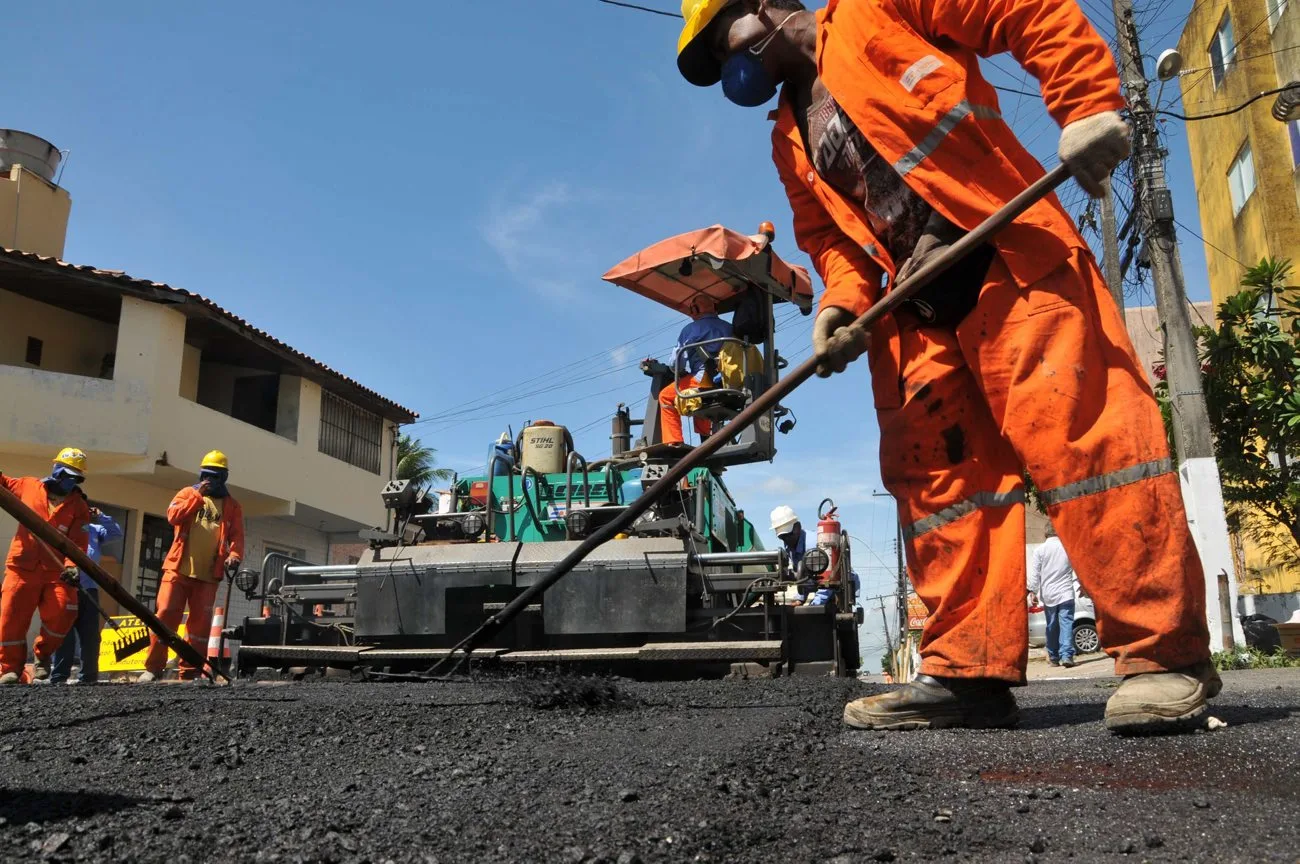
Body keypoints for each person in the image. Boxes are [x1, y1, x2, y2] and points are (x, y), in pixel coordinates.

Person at [676, 0, 1217, 733]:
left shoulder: (874, 11)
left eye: (722, 45)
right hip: (916, 312)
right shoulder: (787, 137)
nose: (729, 70)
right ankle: (969, 672)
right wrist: (840, 305)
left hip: (1004, 254)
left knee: (1088, 448)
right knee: (940, 488)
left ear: (759, 7)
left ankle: (1164, 656)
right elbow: (826, 236)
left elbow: (1026, 11)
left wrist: (1086, 101)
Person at [137, 450, 244, 683]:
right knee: (164, 616)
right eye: (207, 475)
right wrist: (197, 496)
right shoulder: (187, 493)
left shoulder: (232, 506)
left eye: (216, 477)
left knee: (199, 629)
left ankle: (190, 672)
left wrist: (234, 555)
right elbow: (173, 516)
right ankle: (153, 668)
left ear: (223, 478)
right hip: (177, 570)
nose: (210, 481)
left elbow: (237, 537)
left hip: (208, 576)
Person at [0, 448, 92, 686]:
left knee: (64, 611)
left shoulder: (78, 506)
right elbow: (4, 484)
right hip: (22, 566)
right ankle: (10, 669)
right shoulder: (29, 486)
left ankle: (43, 656)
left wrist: (73, 566)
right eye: (68, 475)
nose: (71, 482)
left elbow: (78, 543)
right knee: (10, 618)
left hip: (56, 570)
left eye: (76, 478)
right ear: (56, 471)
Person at [50, 503, 122, 685]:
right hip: (65, 588)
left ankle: (89, 677)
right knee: (64, 635)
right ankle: (59, 677)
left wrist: (101, 516)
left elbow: (116, 533)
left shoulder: (94, 530)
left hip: (89, 590)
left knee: (90, 636)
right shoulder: (64, 528)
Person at [658, 295, 733, 444]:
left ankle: (673, 441)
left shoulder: (691, 329)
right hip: (728, 382)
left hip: (703, 378)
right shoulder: (729, 328)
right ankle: (705, 440)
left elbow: (676, 364)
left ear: (695, 310)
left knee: (665, 396)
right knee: (701, 398)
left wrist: (678, 372)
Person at [1028, 525, 1077, 669]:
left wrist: (1032, 591)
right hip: (1066, 592)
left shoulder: (1040, 551)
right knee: (1066, 623)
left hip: (1049, 594)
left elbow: (1035, 573)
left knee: (1052, 625)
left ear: (1045, 534)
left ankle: (1054, 657)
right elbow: (1077, 568)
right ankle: (1067, 655)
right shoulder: (1068, 548)